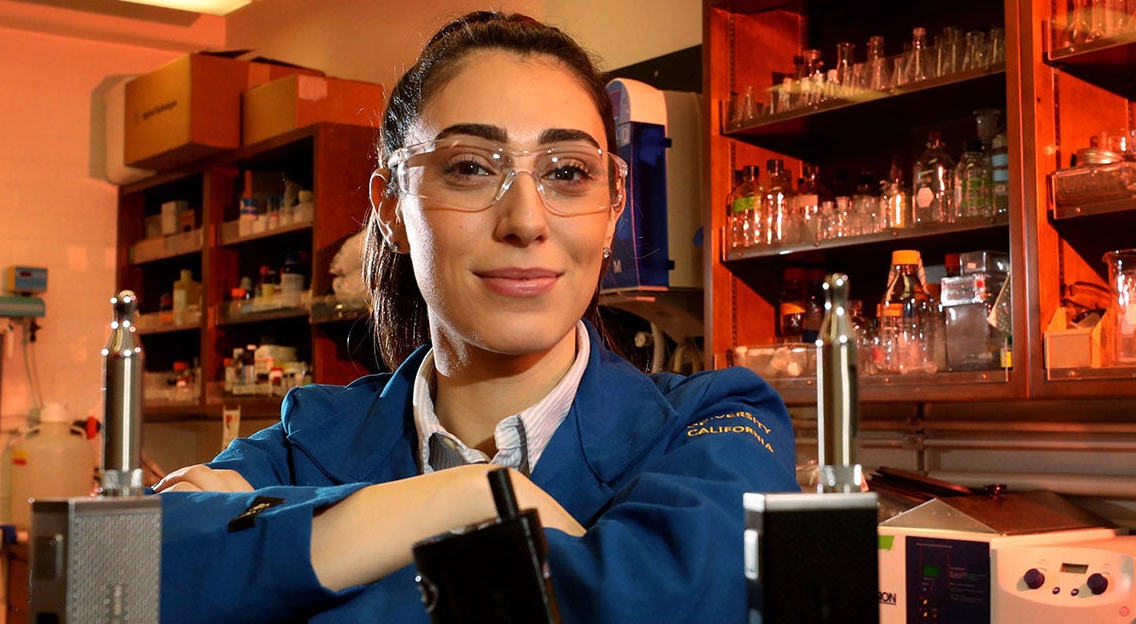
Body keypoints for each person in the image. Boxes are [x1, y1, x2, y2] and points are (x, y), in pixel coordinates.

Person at [154, 11, 798, 623]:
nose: (524, 221)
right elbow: (131, 561)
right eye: (468, 168)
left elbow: (670, 609)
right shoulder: (313, 437)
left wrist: (300, 575)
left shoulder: (715, 422)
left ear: (613, 209)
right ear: (392, 208)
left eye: (569, 172)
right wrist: (476, 498)